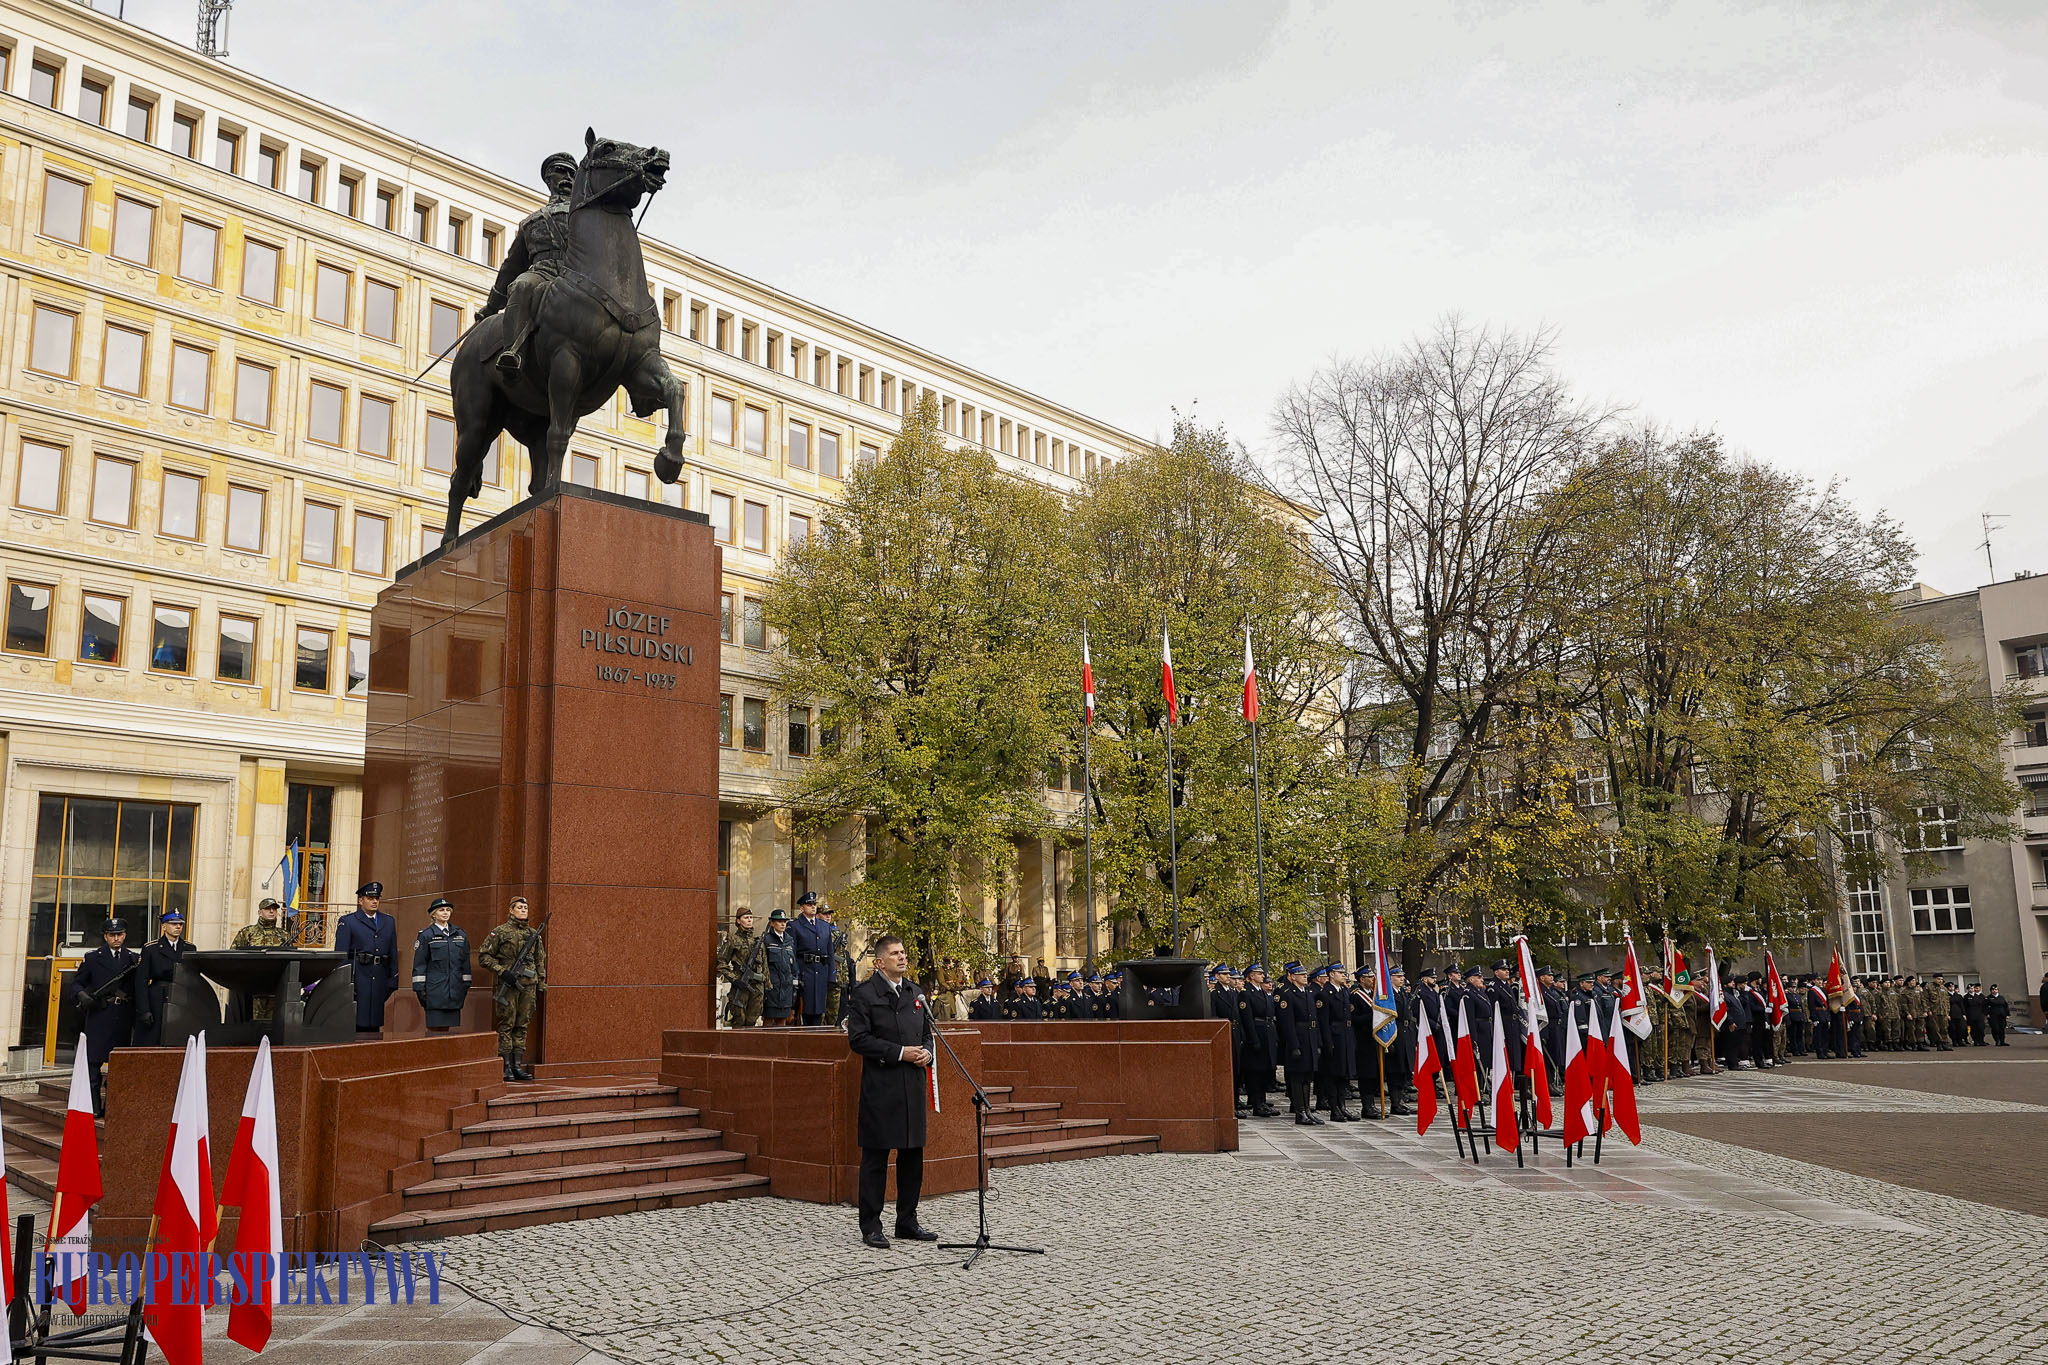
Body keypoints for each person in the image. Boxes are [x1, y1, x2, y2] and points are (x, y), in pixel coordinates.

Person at [844, 935, 939, 1249]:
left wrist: (927, 1052)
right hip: (882, 1088)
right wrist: (900, 1052)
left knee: (913, 1156)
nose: (902, 957)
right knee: (876, 1158)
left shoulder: (915, 993)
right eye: (895, 953)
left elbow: (927, 1034)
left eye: (904, 952)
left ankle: (907, 1221)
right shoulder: (865, 994)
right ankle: (871, 1225)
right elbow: (858, 1040)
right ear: (879, 962)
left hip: (912, 1087)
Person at [477, 152, 577, 376]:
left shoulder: (585, 216)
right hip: (542, 272)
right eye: (561, 171)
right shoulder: (531, 222)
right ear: (548, 179)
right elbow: (511, 267)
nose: (568, 177)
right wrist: (492, 306)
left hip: (576, 274)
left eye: (573, 173)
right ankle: (512, 352)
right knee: (521, 285)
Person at [476, 895, 547, 1082]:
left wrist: (541, 983)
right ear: (511, 910)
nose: (524, 910)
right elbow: (484, 956)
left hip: (528, 986)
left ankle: (517, 1066)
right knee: (506, 1024)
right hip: (508, 985)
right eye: (520, 907)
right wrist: (502, 971)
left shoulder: (533, 934)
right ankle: (506, 1066)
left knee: (521, 1025)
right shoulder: (500, 932)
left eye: (526, 908)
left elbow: (540, 960)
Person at [74, 919, 138, 1116]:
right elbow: (77, 983)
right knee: (93, 1067)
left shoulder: (133, 959)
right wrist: (82, 996)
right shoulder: (93, 958)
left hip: (123, 1018)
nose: (116, 938)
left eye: (119, 934)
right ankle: (93, 1108)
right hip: (99, 1016)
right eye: (112, 935)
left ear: (125, 935)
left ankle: (113, 1108)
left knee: (119, 1068)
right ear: (105, 936)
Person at [334, 881, 399, 1036]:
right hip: (359, 977)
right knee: (357, 1022)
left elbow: (393, 951)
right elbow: (341, 954)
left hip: (380, 977)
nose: (375, 901)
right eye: (370, 898)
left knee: (374, 1023)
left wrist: (393, 978)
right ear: (360, 900)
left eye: (377, 898)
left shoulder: (388, 921)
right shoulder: (348, 921)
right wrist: (345, 981)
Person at [132, 909, 193, 1047]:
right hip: (157, 999)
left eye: (180, 924)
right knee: (153, 1041)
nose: (178, 927)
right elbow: (141, 982)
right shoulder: (151, 949)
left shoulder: (189, 948)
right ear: (164, 926)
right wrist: (144, 1010)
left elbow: (192, 978)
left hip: (180, 998)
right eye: (173, 924)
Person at [411, 897, 472, 1031]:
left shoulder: (460, 934)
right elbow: (420, 965)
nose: (445, 913)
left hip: (454, 991)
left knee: (447, 1034)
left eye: (448, 910)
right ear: (433, 914)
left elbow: (465, 963)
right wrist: (420, 990)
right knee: (434, 1032)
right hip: (435, 992)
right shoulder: (426, 935)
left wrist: (465, 985)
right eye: (441, 910)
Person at [1276, 962, 1323, 1125]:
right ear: (1292, 976)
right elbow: (1287, 1023)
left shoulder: (1308, 993)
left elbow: (1314, 1020)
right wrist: (1294, 1045)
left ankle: (1307, 1110)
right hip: (1298, 1039)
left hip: (1309, 1038)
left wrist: (1317, 1043)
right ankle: (1300, 1111)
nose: (1305, 976)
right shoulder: (1288, 994)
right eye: (1301, 974)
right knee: (1297, 1077)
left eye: (1305, 974)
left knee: (1307, 1077)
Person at [1238, 964, 1280, 1117]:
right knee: (1255, 1072)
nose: (1262, 976)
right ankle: (1256, 1103)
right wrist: (1253, 1039)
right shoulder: (1246, 993)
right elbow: (1247, 1019)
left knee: (1265, 1070)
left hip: (1267, 1033)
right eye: (1259, 974)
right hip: (1257, 1033)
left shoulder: (1263, 992)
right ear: (1251, 976)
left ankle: (1262, 1101)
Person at [789, 893, 833, 1026]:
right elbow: (792, 952)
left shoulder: (825, 926)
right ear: (802, 908)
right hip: (805, 971)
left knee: (819, 1011)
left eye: (814, 904)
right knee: (805, 1011)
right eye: (809, 905)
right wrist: (795, 975)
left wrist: (831, 975)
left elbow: (830, 951)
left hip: (821, 971)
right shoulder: (795, 926)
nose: (813, 907)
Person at [717, 909, 764, 1028]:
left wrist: (767, 985)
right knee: (739, 1020)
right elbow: (721, 963)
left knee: (752, 1020)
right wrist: (735, 979)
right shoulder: (732, 939)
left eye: (751, 917)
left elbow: (764, 965)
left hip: (756, 988)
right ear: (738, 921)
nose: (749, 920)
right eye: (746, 917)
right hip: (740, 987)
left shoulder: (757, 941)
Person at [760, 909, 799, 1026]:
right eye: (779, 921)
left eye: (784, 922)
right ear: (772, 923)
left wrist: (794, 984)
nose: (783, 924)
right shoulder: (766, 940)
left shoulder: (789, 940)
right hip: (772, 988)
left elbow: (793, 966)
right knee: (768, 1021)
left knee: (782, 1023)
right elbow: (763, 964)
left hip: (786, 988)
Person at [821, 902, 857, 1024]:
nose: (828, 916)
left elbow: (843, 955)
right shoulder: (820, 932)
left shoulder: (835, 931)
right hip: (825, 974)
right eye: (825, 914)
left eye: (829, 914)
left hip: (840, 975)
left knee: (837, 1012)